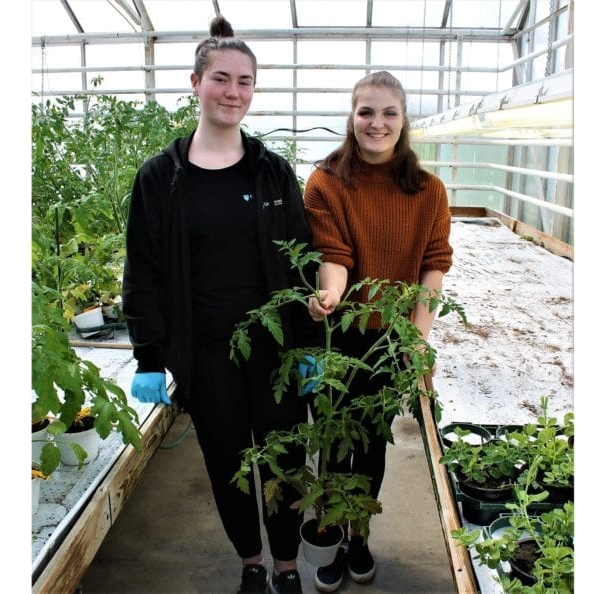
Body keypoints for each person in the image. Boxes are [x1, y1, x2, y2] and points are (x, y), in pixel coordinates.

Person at [122, 16, 318, 594]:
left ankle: (287, 565)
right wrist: (150, 354)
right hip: (205, 352)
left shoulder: (272, 171)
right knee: (228, 463)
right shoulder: (162, 177)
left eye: (245, 82)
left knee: (283, 460)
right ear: (195, 83)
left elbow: (302, 262)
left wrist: (306, 343)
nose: (234, 92)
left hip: (276, 349)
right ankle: (251, 562)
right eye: (222, 79)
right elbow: (145, 270)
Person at [303, 71, 454, 592]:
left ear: (404, 119)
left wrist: (417, 337)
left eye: (389, 112)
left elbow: (433, 266)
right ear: (352, 116)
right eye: (366, 111)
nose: (377, 122)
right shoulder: (326, 181)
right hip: (338, 335)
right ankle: (329, 528)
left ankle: (359, 533)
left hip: (391, 338)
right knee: (330, 438)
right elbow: (335, 256)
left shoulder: (429, 191)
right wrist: (329, 297)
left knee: (370, 442)